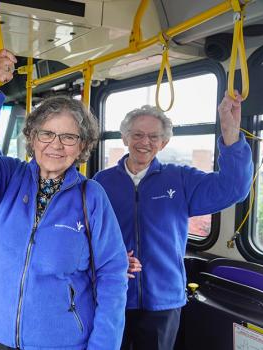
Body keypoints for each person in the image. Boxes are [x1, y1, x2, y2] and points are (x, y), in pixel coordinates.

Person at [0, 49, 129, 350]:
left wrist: (104, 345)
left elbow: (112, 276)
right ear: (32, 138)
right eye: (46, 134)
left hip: (61, 341)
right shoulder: (8, 178)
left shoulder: (92, 197)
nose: (55, 145)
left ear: (83, 145)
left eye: (68, 137)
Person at [93, 92, 253, 350]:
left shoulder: (180, 179)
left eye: (154, 136)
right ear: (125, 138)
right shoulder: (102, 182)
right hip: (112, 294)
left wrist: (230, 130)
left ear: (164, 143)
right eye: (137, 135)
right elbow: (89, 235)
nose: (144, 142)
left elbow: (234, 188)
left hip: (163, 299)